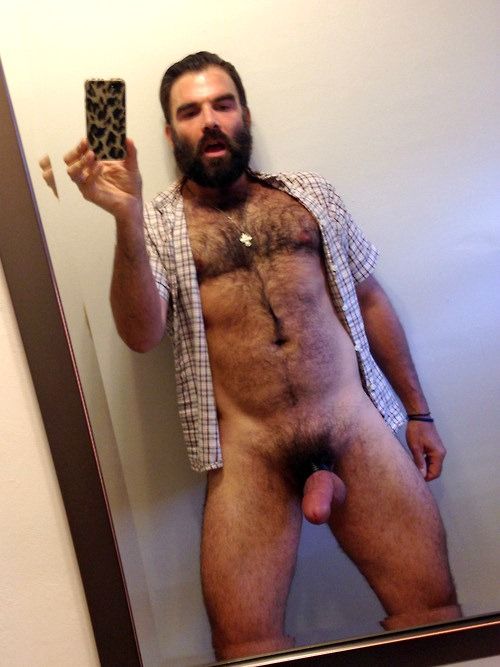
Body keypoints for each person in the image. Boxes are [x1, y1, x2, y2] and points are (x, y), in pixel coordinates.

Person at [64, 51, 461, 661]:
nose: (210, 120)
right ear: (170, 134)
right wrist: (125, 219)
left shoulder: (309, 196)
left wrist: (419, 411)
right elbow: (142, 334)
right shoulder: (158, 224)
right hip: (249, 451)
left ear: (244, 114)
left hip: (354, 426)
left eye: (222, 104)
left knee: (433, 615)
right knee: (245, 646)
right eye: (190, 112)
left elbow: (369, 298)